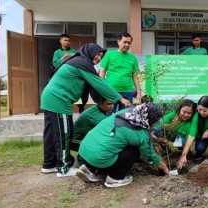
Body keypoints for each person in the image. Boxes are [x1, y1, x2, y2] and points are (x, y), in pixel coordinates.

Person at [40, 43, 131, 178]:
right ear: (89, 52)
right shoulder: (82, 63)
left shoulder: (78, 62)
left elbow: (92, 87)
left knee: (51, 133)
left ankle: (49, 164)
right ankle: (63, 168)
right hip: (58, 99)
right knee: (63, 134)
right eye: (98, 54)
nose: (99, 58)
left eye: (101, 56)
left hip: (50, 98)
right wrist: (121, 99)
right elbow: (99, 83)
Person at [76, 103, 170, 187]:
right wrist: (165, 168)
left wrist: (155, 139)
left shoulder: (127, 112)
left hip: (83, 152)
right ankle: (115, 178)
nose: (156, 124)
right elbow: (149, 156)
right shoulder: (140, 134)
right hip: (100, 159)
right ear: (150, 119)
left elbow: (143, 135)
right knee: (135, 150)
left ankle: (89, 169)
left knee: (111, 143)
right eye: (155, 121)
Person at [177, 96, 208, 169]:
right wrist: (183, 155)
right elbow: (191, 135)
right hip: (202, 137)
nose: (201, 113)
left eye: (205, 111)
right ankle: (199, 153)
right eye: (199, 110)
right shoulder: (196, 116)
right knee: (199, 148)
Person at [99, 32, 141, 113]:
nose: (127, 45)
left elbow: (135, 76)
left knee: (125, 117)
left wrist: (138, 92)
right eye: (124, 42)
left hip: (127, 92)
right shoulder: (109, 54)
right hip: (111, 91)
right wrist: (102, 89)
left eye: (129, 43)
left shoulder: (133, 58)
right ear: (118, 42)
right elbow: (102, 72)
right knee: (109, 116)